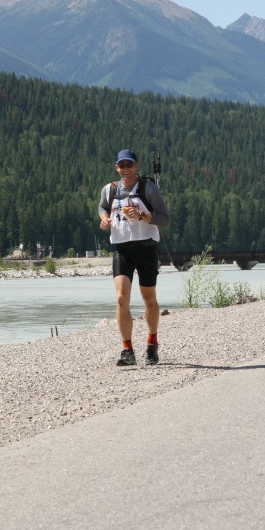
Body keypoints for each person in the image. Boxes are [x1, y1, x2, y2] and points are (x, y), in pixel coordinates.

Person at [98, 148, 170, 366]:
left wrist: (141, 215)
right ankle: (127, 350)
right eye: (122, 165)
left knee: (149, 299)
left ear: (136, 166)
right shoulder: (109, 190)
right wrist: (104, 219)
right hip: (122, 250)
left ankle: (152, 342)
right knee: (121, 298)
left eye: (129, 165)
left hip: (146, 248)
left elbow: (164, 219)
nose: (126, 169)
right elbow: (102, 207)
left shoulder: (148, 188)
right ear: (116, 167)